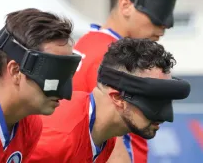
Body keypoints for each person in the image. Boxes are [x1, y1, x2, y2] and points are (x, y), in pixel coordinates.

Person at [73, 0, 178, 163]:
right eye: (158, 14)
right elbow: (112, 141)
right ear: (125, 5)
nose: (164, 26)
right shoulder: (112, 58)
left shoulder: (87, 44)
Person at [29, 38, 190, 163]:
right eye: (155, 99)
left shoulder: (104, 133)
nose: (166, 116)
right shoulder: (59, 139)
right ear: (118, 98)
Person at [0, 8, 81, 162]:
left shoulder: (30, 126)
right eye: (54, 73)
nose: (65, 93)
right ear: (16, 71)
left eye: (66, 74)